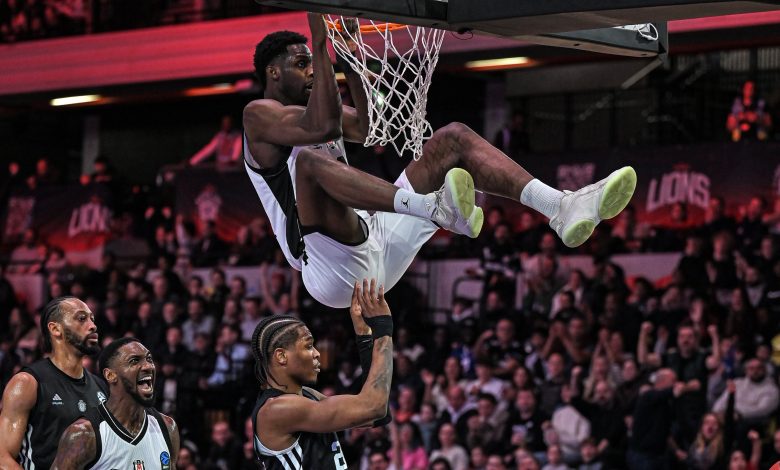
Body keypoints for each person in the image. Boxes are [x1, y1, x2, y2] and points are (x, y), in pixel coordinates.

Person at [243, 15, 637, 308]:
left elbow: (366, 126)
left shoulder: (315, 111)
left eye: (311, 62)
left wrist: (347, 52)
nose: (311, 69)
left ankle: (560, 206)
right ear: (273, 72)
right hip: (327, 266)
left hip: (375, 239)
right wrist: (320, 39)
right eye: (301, 64)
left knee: (452, 139)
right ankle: (432, 208)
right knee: (308, 165)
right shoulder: (258, 115)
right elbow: (323, 123)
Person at [251, 279, 393, 468]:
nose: (317, 353)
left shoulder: (307, 396)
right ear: (281, 356)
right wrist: (383, 328)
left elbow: (377, 414)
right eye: (309, 346)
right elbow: (374, 406)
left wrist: (364, 334)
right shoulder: (276, 410)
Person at [0, 296, 107, 470]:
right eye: (81, 318)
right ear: (55, 329)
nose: (93, 325)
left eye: (92, 319)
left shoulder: (102, 387)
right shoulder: (27, 383)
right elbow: (2, 458)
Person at [51, 337, 180, 469]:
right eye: (134, 361)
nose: (148, 366)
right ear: (110, 375)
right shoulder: (84, 435)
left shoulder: (167, 427)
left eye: (149, 359)